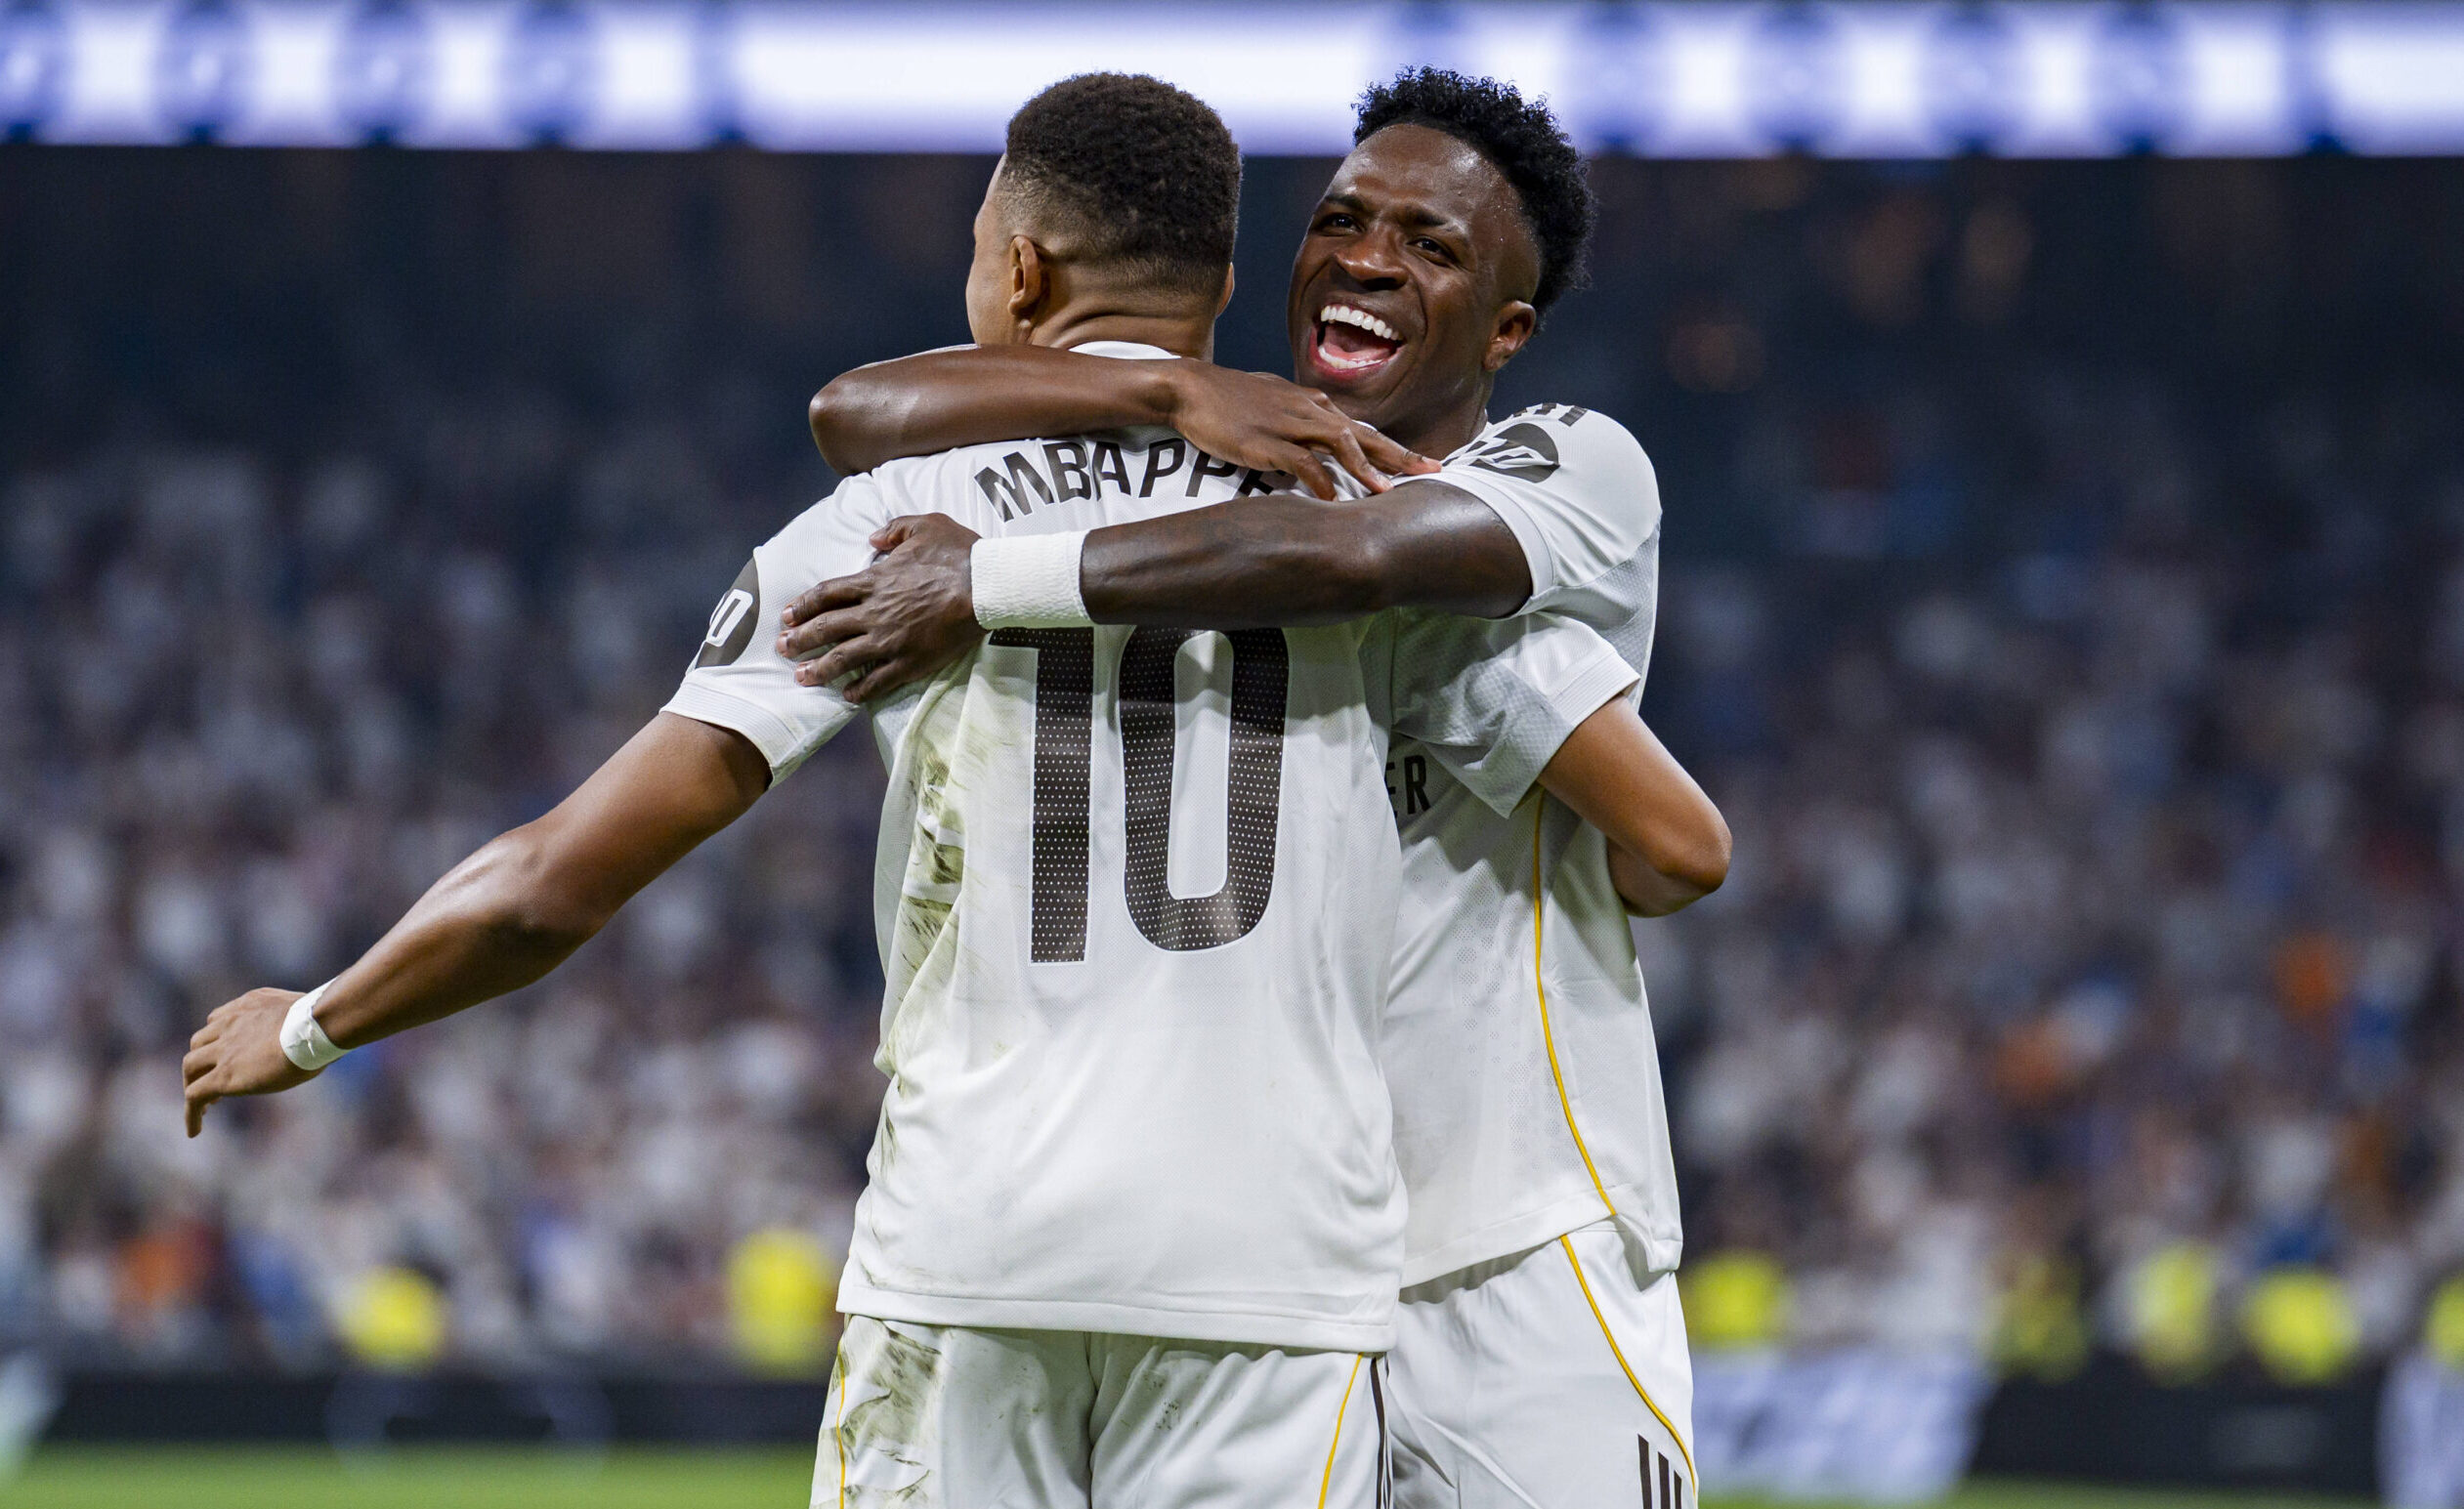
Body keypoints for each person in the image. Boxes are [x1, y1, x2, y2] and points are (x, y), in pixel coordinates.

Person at [182, 73, 1665, 1508]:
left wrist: (310, 1024)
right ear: (1223, 288)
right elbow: (1663, 825)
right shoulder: (1362, 501)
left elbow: (555, 881)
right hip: (1275, 1270)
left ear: (1014, 273)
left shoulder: (892, 524)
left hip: (976, 1246)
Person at [778, 68, 1721, 1508]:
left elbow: (1674, 843)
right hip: (1282, 1250)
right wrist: (1166, 385)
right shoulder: (1234, 482)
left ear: (1507, 328)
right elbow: (858, 410)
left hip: (1515, 1238)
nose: (1367, 257)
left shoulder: (1559, 473)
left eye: (1430, 245)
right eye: (1343, 218)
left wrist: (988, 582)